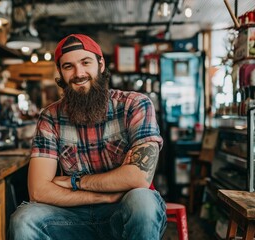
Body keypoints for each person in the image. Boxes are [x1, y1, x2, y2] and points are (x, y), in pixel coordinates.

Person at [9, 34, 167, 240]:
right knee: (24, 219)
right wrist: (105, 193)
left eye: (85, 62)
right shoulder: (50, 117)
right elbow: (38, 191)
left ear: (101, 64)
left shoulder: (134, 105)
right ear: (60, 73)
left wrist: (75, 182)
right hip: (73, 214)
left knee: (142, 201)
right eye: (68, 67)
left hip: (125, 210)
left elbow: (138, 177)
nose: (79, 73)